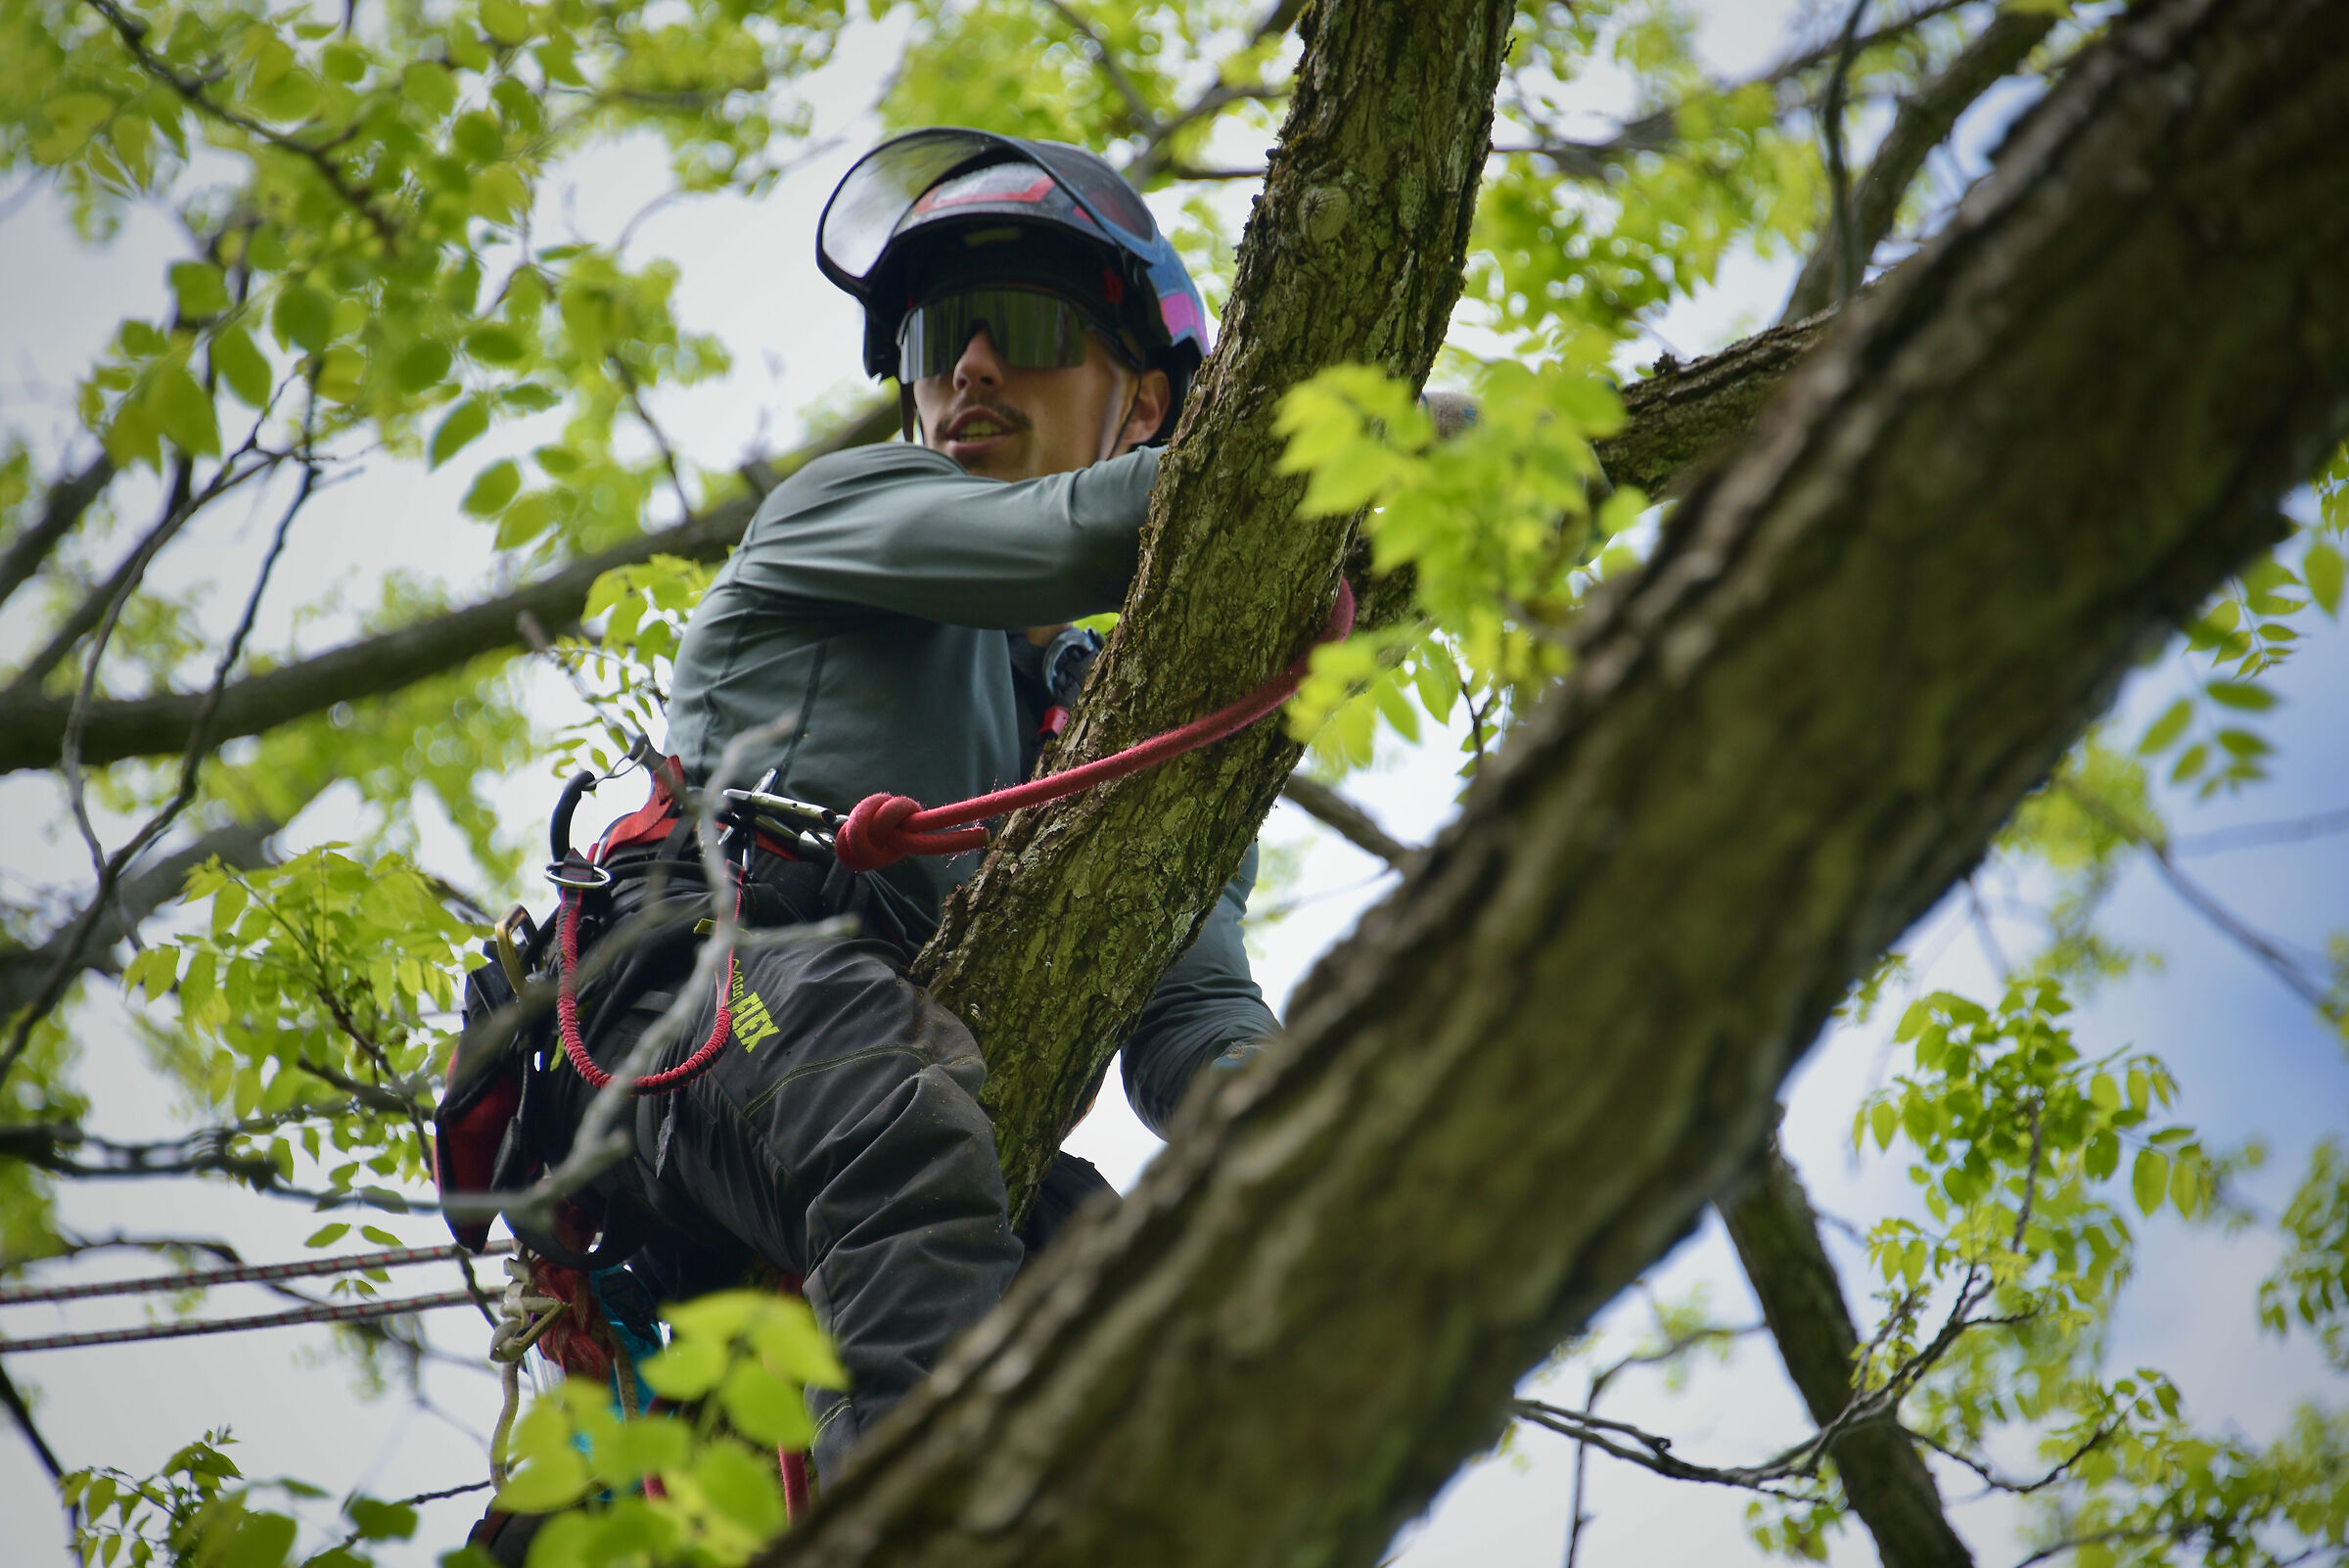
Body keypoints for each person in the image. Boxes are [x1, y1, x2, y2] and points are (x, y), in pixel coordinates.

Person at [523, 128, 1278, 1497]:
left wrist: (1296, 1125)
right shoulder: (843, 511)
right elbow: (1079, 533)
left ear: (1149, 404)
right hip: (712, 991)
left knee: (1111, 1298)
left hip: (866, 1083)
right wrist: (1367, 459)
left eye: (1031, 326)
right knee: (888, 1096)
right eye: (940, 337)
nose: (972, 367)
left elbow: (1193, 1016)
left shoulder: (1108, 714)